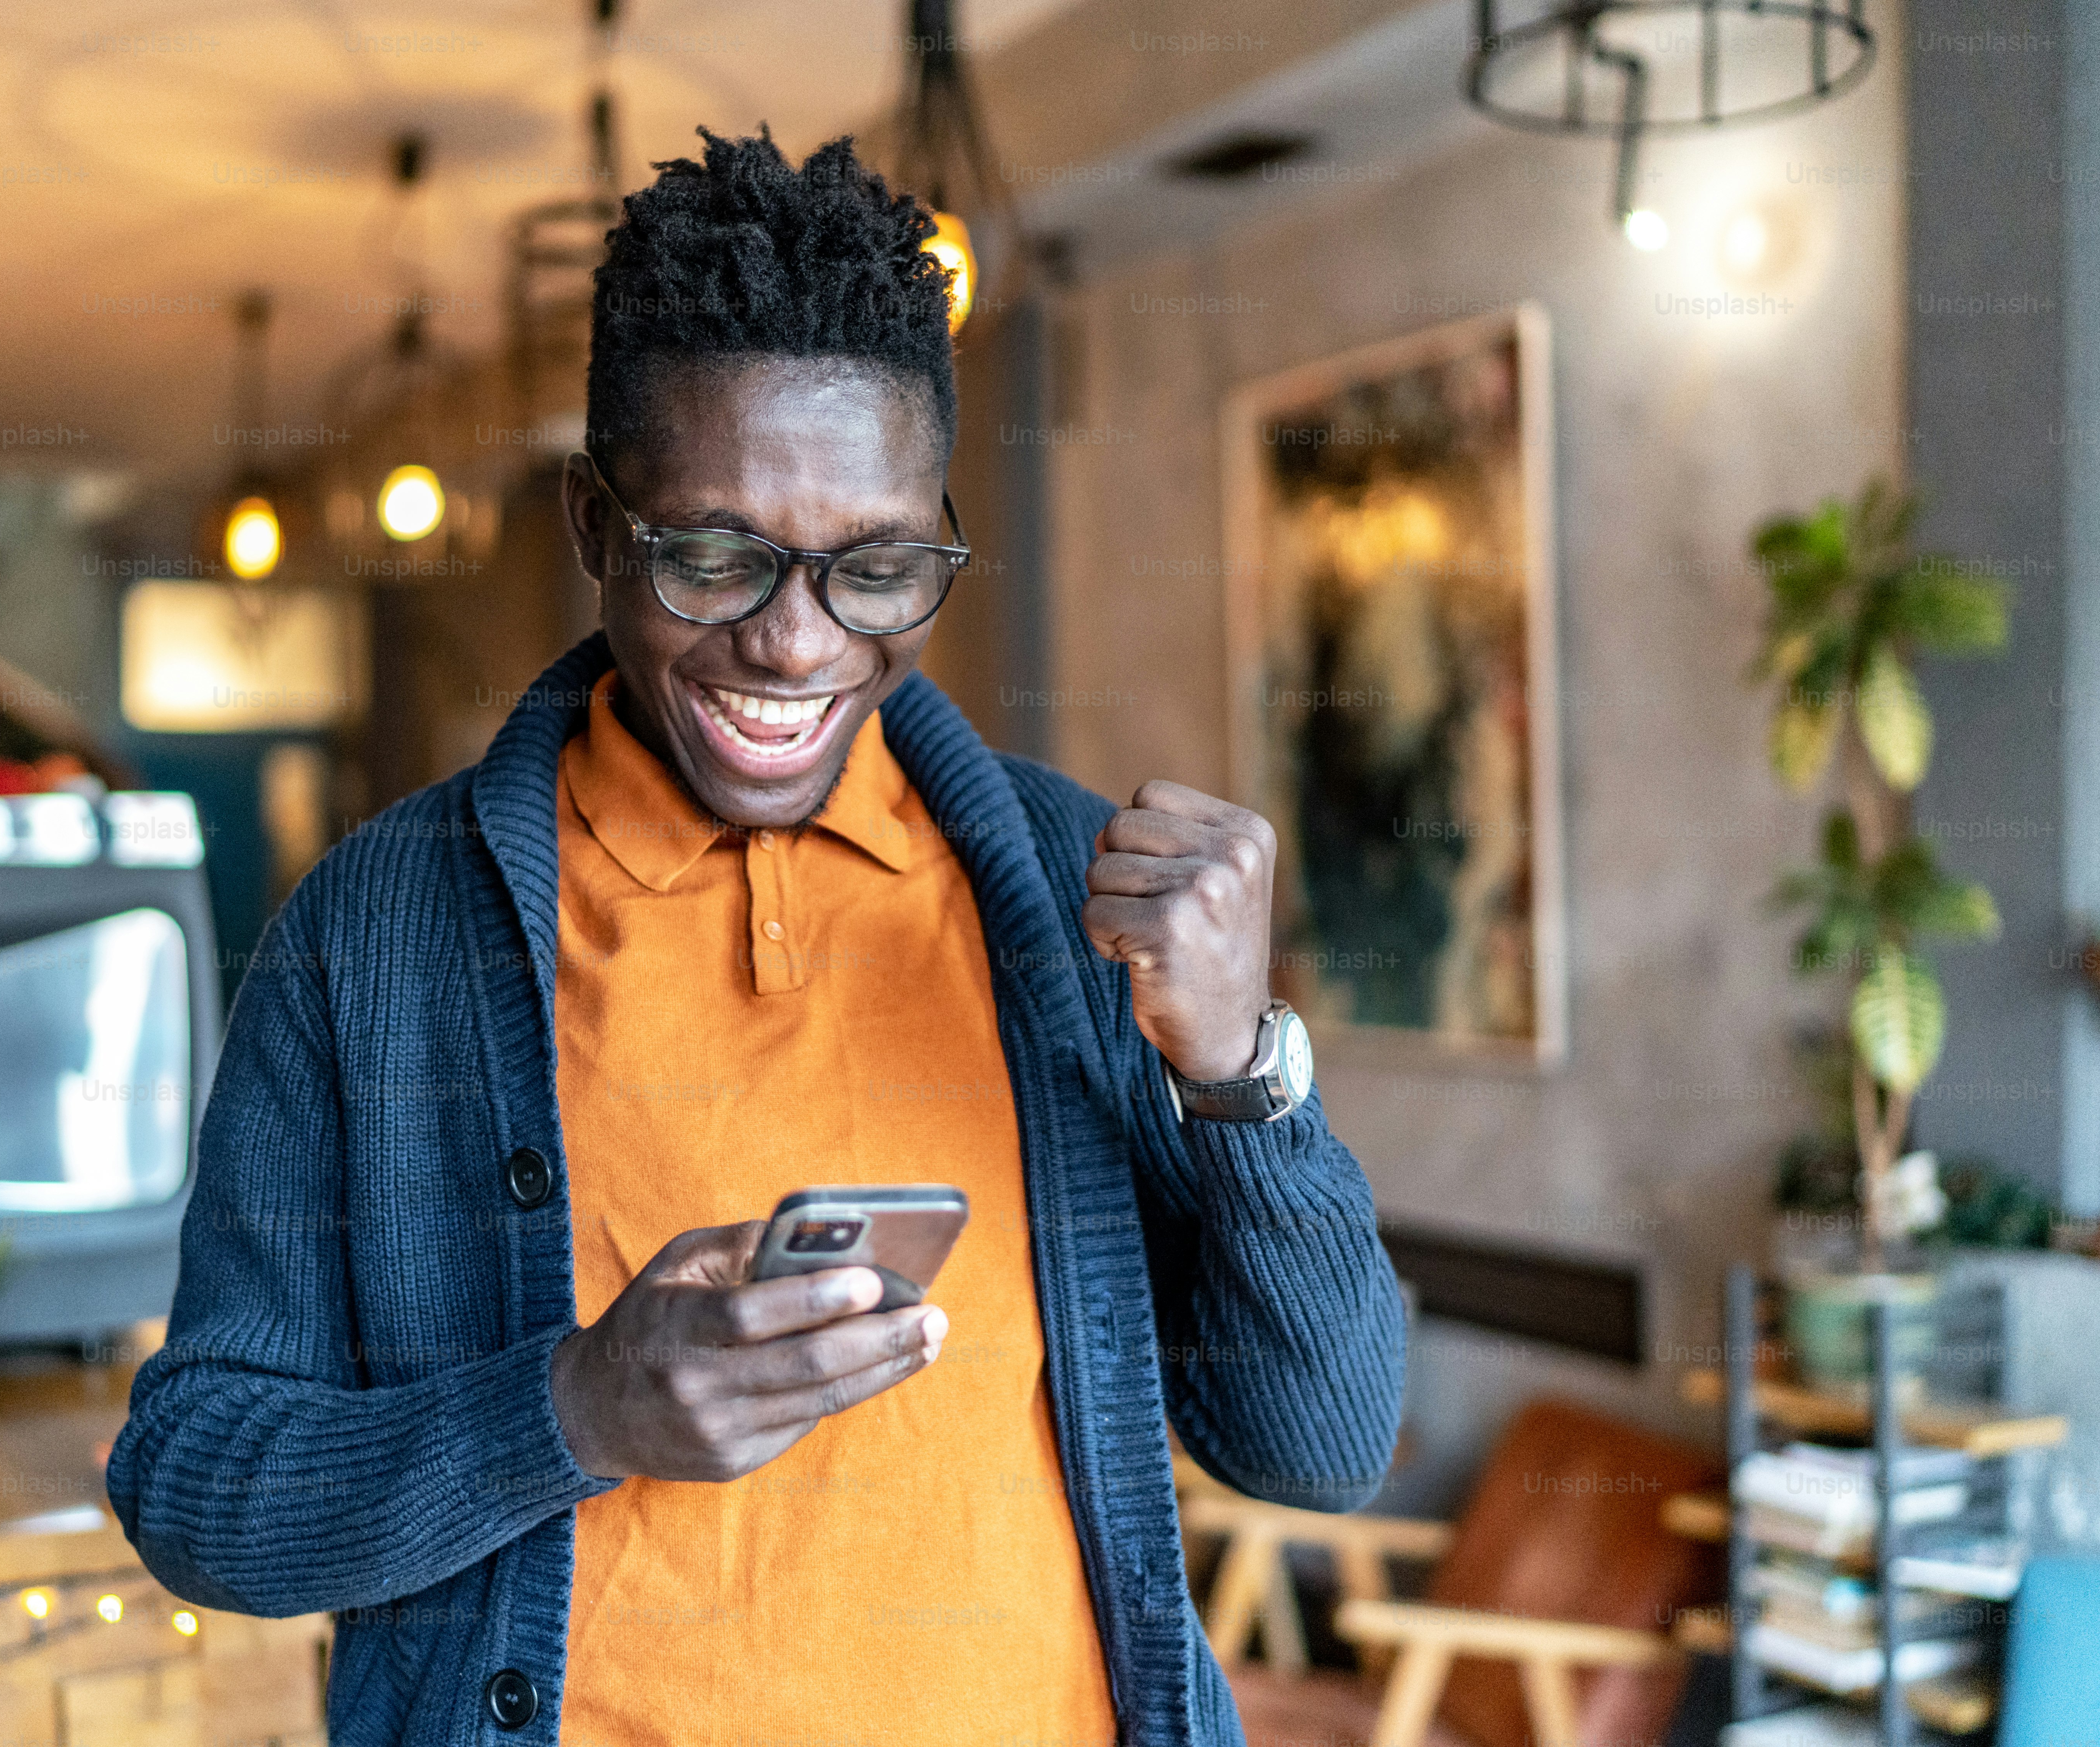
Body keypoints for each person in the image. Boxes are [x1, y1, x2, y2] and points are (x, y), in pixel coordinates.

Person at [108, 128, 1405, 1747]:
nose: (794, 641)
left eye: (873, 567)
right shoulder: (374, 940)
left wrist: (1240, 1073)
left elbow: (1320, 1445)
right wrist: (570, 1406)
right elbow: (197, 1487)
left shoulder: (1070, 891)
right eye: (713, 554)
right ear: (593, 524)